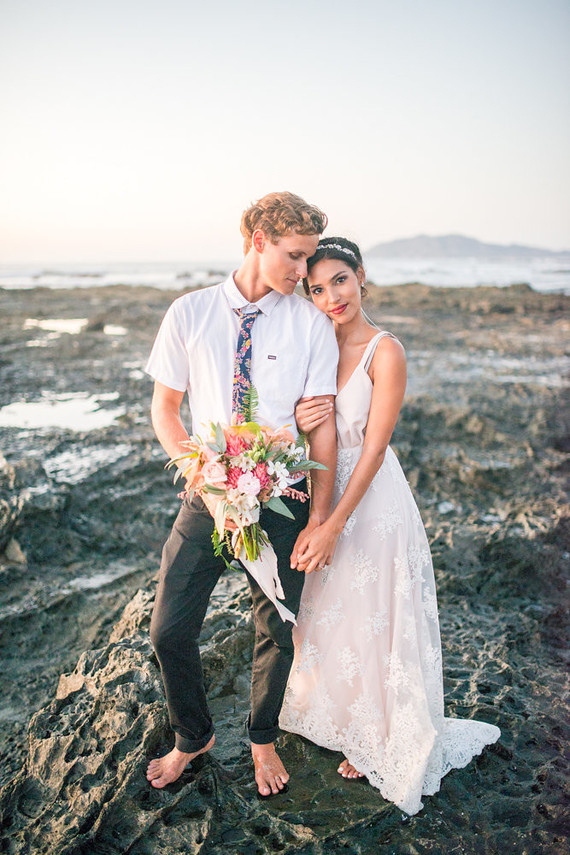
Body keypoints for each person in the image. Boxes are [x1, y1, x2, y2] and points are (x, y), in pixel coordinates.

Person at [281, 237, 500, 815]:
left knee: (377, 610)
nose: (331, 296)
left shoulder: (386, 351)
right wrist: (299, 422)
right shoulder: (315, 342)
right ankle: (335, 713)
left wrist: (331, 524)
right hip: (321, 487)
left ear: (361, 278)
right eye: (318, 287)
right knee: (328, 607)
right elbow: (295, 416)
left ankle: (379, 733)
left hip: (372, 500)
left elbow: (374, 449)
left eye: (340, 281)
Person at [144, 192, 338, 797]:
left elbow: (322, 427)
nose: (303, 273)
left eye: (309, 259)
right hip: (208, 494)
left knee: (276, 629)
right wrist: (201, 472)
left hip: (284, 496)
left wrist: (321, 518)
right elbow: (165, 410)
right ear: (258, 239)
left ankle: (261, 739)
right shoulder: (189, 312)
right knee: (169, 631)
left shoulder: (310, 323)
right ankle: (192, 735)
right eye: (294, 256)